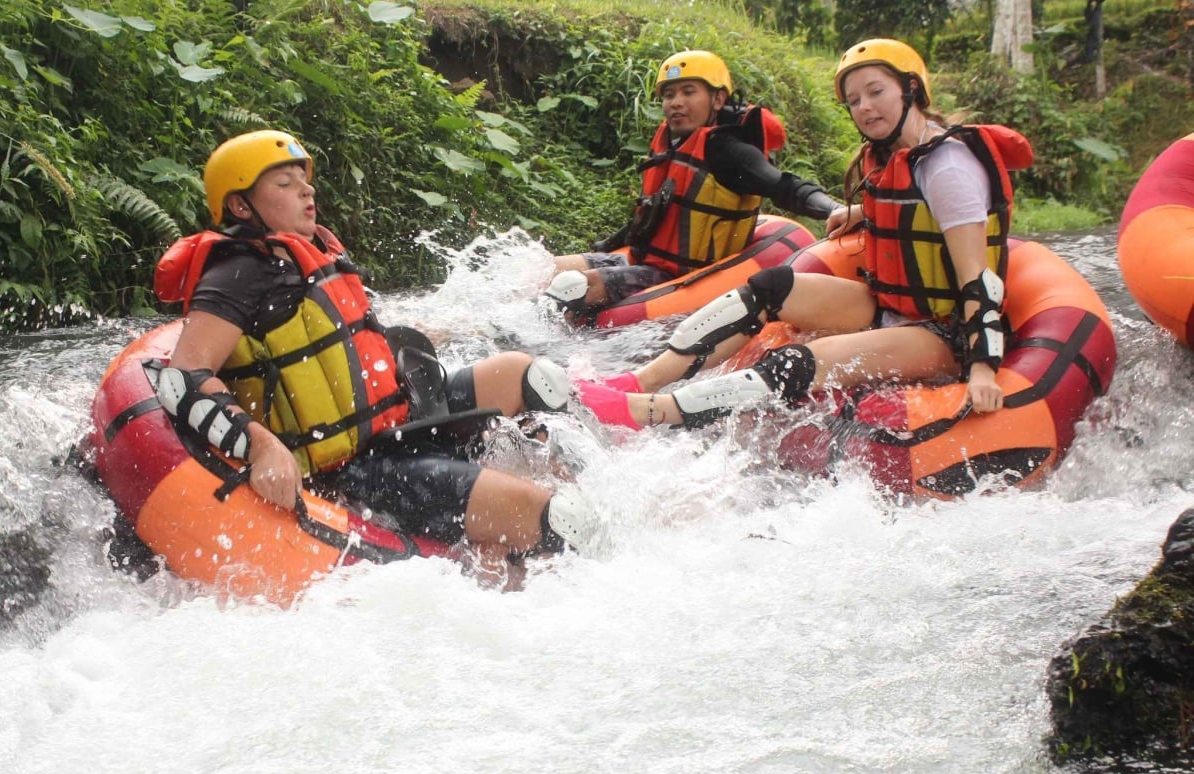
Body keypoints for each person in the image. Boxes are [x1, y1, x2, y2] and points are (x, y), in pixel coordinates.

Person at [152, 129, 604, 567]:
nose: (306, 191)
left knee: (531, 374)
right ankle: (537, 553)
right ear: (239, 204)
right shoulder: (237, 272)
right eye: (285, 184)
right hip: (354, 470)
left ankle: (588, 483)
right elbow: (183, 379)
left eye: (305, 181)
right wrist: (261, 448)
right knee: (558, 519)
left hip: (394, 424)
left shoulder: (312, 253)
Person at [576, 38, 1031, 430]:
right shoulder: (893, 155)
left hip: (941, 331)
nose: (865, 108)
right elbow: (913, 222)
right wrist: (858, 213)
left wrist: (983, 369)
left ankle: (645, 412)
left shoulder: (948, 164)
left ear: (911, 89)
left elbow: (979, 280)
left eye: (876, 92)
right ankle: (640, 380)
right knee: (770, 287)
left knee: (795, 361)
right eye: (854, 100)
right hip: (891, 305)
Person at [545, 49, 841, 318]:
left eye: (689, 92)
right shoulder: (673, 144)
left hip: (683, 277)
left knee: (574, 286)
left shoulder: (730, 152)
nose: (676, 103)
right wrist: (608, 245)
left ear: (718, 99)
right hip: (645, 263)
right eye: (669, 94)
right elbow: (657, 215)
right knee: (547, 268)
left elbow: (784, 187)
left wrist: (834, 210)